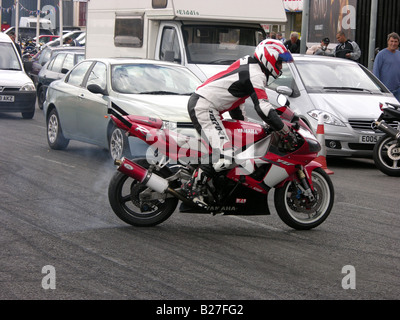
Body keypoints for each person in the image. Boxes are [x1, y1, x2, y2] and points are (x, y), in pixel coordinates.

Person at [183, 40, 296, 207]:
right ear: (269, 57)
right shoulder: (256, 74)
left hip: (206, 105)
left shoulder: (251, 66)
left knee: (235, 148)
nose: (280, 65)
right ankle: (193, 188)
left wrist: (248, 129)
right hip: (205, 107)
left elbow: (236, 101)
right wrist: (285, 130)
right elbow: (263, 107)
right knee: (226, 154)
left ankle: (206, 181)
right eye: (279, 61)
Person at [373, 32, 400, 102]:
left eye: (395, 42)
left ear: (398, 43)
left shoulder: (399, 54)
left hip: (398, 91)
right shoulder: (381, 55)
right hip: (385, 91)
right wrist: (379, 88)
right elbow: (376, 72)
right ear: (388, 42)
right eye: (391, 41)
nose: (393, 44)